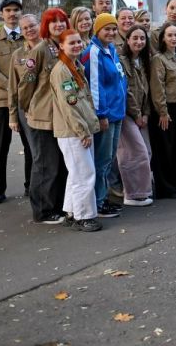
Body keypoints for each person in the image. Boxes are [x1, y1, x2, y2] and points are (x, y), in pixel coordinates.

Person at [18, 9, 71, 224]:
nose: (58, 25)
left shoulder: (66, 45)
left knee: (59, 164)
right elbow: (26, 84)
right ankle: (42, 210)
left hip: (62, 116)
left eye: (61, 21)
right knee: (44, 164)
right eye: (53, 22)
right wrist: (30, 108)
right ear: (46, 26)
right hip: (41, 116)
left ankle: (57, 206)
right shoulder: (40, 50)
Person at [51, 29, 102, 232]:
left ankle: (72, 211)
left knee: (76, 174)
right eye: (71, 43)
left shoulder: (75, 66)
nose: (77, 46)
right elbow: (68, 104)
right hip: (73, 132)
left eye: (79, 42)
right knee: (84, 174)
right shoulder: (62, 70)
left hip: (80, 128)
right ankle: (84, 217)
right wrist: (81, 131)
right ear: (61, 46)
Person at [0, 0, 32, 204]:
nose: (12, 14)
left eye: (16, 10)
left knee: (31, 146)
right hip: (2, 102)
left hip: (27, 103)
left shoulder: (29, 37)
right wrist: (13, 87)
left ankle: (32, 185)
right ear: (1, 14)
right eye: (8, 10)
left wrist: (24, 90)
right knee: (1, 146)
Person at [82, 13, 128, 218]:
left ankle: (103, 196)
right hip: (106, 116)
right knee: (101, 160)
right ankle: (98, 203)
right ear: (97, 30)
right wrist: (101, 115)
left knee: (108, 159)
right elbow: (95, 87)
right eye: (106, 29)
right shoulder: (93, 52)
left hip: (117, 113)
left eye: (113, 28)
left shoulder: (110, 49)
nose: (111, 32)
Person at [149, 24, 176, 199]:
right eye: (170, 35)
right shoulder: (159, 59)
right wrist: (163, 112)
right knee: (165, 149)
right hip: (166, 108)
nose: (174, 38)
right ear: (163, 38)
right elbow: (158, 87)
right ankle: (166, 187)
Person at [118, 25, 154, 207]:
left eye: (142, 38)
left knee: (146, 151)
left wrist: (146, 113)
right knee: (134, 153)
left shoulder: (143, 60)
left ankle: (143, 190)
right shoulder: (122, 60)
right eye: (135, 38)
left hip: (141, 114)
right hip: (126, 114)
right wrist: (137, 114)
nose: (139, 42)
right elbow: (128, 91)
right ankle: (132, 194)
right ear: (127, 40)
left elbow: (146, 90)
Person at [7, 14, 41, 192]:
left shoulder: (51, 48)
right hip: (26, 110)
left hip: (50, 109)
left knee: (50, 153)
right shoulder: (18, 55)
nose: (29, 30)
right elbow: (13, 88)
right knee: (36, 152)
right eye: (25, 28)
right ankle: (36, 191)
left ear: (40, 25)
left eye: (32, 25)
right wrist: (13, 117)